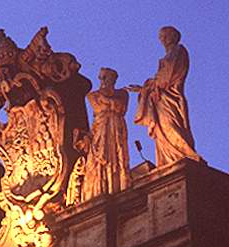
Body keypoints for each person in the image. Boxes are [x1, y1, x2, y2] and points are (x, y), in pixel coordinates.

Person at [126, 26, 203, 167]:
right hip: (160, 98)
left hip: (170, 98)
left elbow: (166, 77)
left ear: (174, 36)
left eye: (165, 36)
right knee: (162, 130)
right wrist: (144, 89)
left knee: (171, 125)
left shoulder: (178, 51)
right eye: (161, 37)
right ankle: (168, 161)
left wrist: (148, 87)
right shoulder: (169, 55)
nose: (163, 39)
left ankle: (182, 155)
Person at [82, 68, 131, 201]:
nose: (102, 80)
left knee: (117, 153)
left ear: (113, 79)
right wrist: (111, 104)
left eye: (106, 77)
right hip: (101, 128)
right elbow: (100, 107)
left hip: (116, 127)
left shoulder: (123, 93)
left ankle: (117, 184)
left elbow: (121, 108)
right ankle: (101, 187)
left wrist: (107, 101)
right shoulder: (93, 95)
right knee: (100, 157)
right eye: (101, 77)